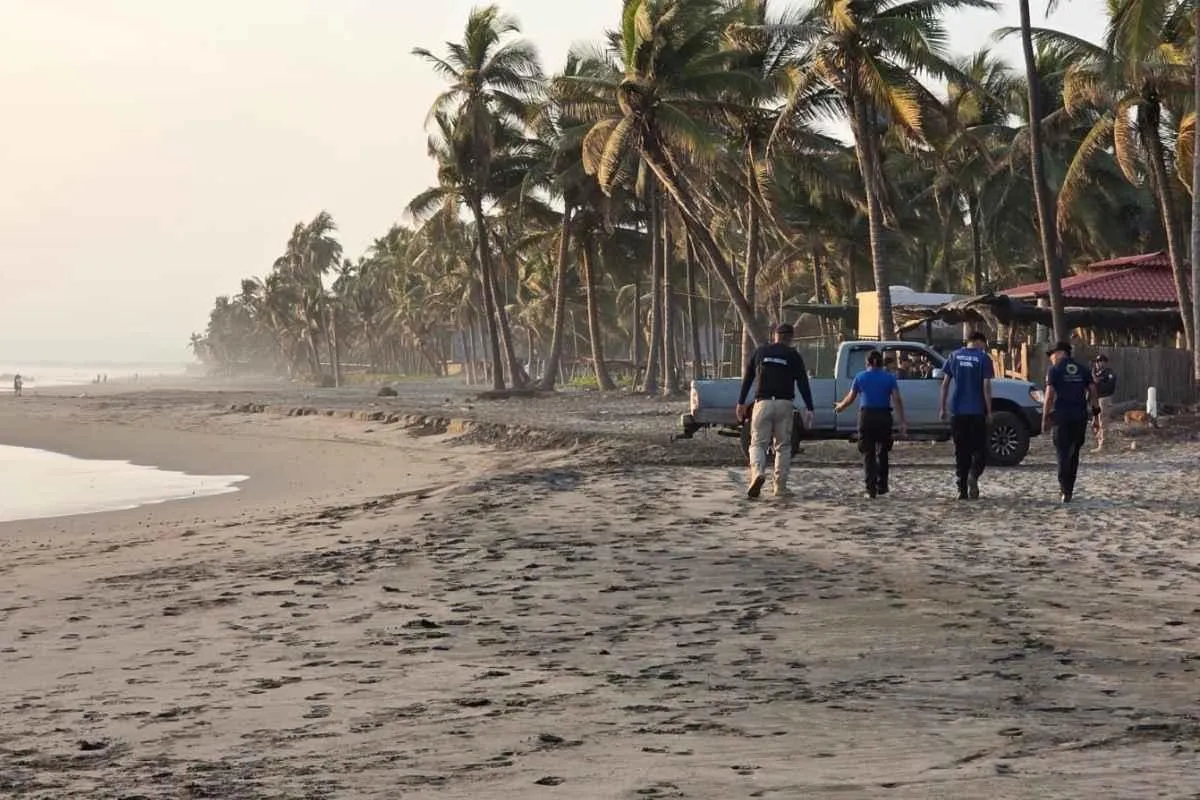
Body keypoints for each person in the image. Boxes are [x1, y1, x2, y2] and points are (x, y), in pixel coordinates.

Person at [736, 322, 815, 499]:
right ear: (791, 338)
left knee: (757, 444)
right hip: (784, 404)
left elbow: (748, 377)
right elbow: (803, 382)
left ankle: (757, 473)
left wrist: (740, 402)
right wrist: (809, 407)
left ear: (775, 336)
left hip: (762, 403)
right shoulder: (793, 355)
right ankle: (780, 487)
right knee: (783, 446)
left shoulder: (760, 351)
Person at [835, 350, 908, 498]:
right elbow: (897, 399)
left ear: (867, 363)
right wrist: (902, 421)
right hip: (884, 416)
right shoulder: (889, 378)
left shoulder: (860, 377)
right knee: (883, 452)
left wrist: (840, 406)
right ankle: (882, 486)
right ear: (881, 363)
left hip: (866, 416)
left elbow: (850, 397)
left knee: (868, 453)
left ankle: (870, 489)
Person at [939, 331, 995, 500]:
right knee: (980, 450)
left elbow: (945, 384)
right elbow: (986, 386)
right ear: (979, 341)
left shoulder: (954, 356)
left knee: (961, 451)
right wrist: (989, 411)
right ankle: (973, 474)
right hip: (976, 411)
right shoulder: (984, 358)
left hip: (958, 411)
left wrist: (942, 407)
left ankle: (961, 488)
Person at [1043, 341, 1100, 503]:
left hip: (1061, 417)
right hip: (1079, 417)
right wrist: (1096, 415)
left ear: (1060, 352)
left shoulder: (1054, 370)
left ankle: (1064, 488)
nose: (1051, 358)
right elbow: (1093, 390)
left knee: (1062, 452)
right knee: (1074, 453)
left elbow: (1049, 396)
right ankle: (1070, 488)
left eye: (1052, 355)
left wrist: (1045, 417)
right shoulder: (1082, 369)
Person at [1091, 354, 1116, 452]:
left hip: (1104, 398)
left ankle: (1104, 445)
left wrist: (1098, 382)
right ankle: (1099, 442)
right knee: (1095, 422)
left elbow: (1110, 387)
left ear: (1105, 363)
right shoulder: (1095, 373)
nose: (1098, 363)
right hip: (1095, 399)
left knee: (1103, 421)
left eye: (1100, 361)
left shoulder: (1109, 373)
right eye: (1097, 361)